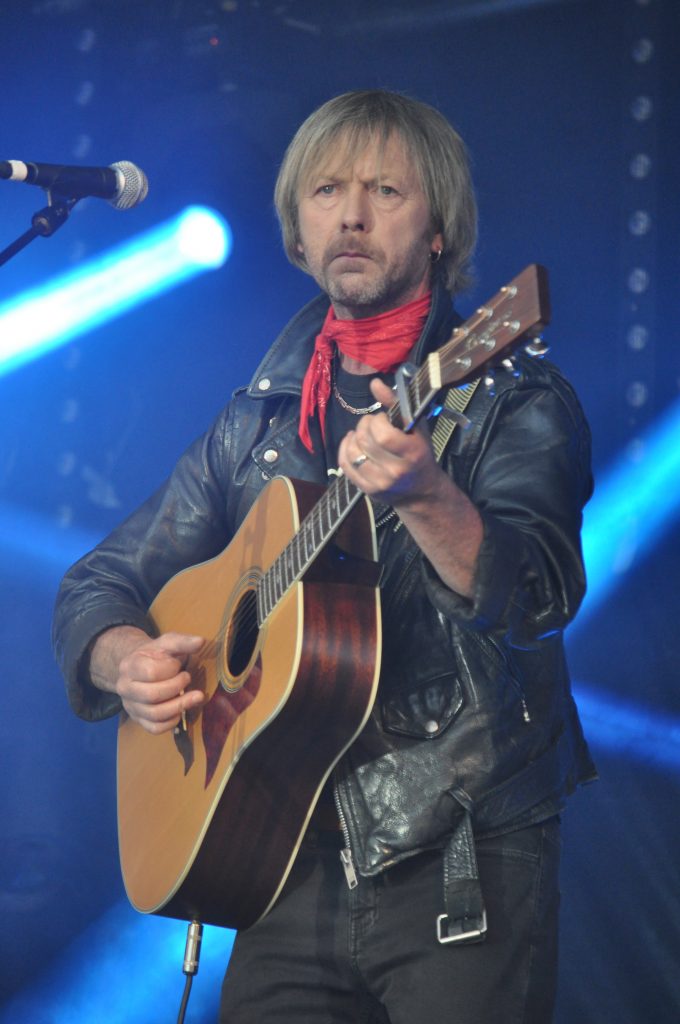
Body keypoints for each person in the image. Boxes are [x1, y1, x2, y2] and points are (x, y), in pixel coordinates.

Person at [53, 89, 596, 1023]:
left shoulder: (510, 397)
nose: (351, 215)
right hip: (281, 854)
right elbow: (97, 583)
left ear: (439, 229)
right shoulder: (255, 425)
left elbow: (537, 598)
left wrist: (428, 497)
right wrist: (124, 659)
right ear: (299, 233)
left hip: (458, 848)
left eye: (386, 190)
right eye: (326, 191)